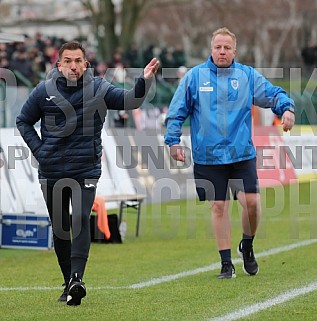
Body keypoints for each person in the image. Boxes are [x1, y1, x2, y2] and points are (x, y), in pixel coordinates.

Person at [16, 41, 159, 305]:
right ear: (58, 65)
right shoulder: (43, 91)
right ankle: (68, 281)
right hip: (51, 170)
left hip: (85, 170)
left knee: (81, 218)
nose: (73, 66)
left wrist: (144, 81)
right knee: (60, 228)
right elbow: (23, 121)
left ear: (86, 64)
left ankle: (77, 278)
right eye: (67, 61)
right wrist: (39, 150)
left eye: (78, 61)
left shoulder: (99, 88)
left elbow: (131, 101)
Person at [164, 27, 295, 279]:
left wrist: (286, 109)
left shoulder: (246, 76)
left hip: (241, 152)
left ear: (234, 51)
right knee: (219, 206)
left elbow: (273, 94)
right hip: (207, 155)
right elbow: (176, 111)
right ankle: (226, 263)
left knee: (252, 203)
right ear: (211, 49)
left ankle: (247, 244)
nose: (221, 51)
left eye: (226, 48)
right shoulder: (194, 77)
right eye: (217, 47)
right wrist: (173, 141)